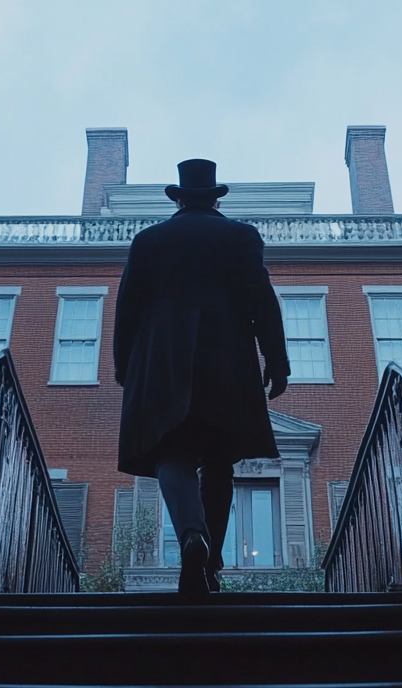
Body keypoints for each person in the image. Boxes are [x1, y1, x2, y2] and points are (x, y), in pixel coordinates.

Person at [114, 159, 290, 599]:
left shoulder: (149, 241)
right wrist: (277, 358)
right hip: (226, 361)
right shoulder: (240, 236)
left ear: (178, 198)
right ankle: (210, 564)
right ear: (215, 197)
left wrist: (123, 366)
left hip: (161, 363)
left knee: (172, 453)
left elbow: (127, 310)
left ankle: (192, 536)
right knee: (219, 462)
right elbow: (262, 301)